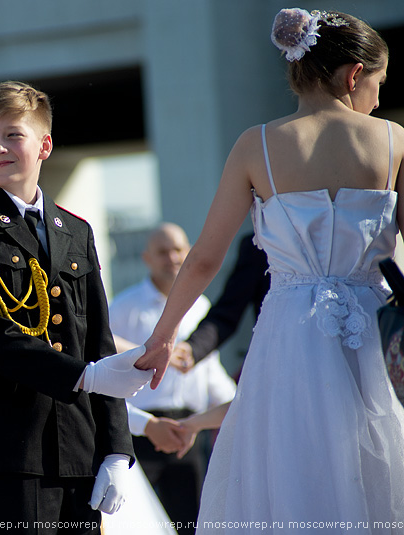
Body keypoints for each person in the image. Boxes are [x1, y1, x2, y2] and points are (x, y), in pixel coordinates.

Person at [136, 8, 404, 530]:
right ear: (353, 75)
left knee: (290, 472)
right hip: (374, 329)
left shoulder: (254, 145)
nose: (378, 97)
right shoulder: (393, 140)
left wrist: (164, 335)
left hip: (289, 334)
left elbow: (205, 259)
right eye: (378, 83)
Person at [0, 80, 151, 533]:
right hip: (5, 447)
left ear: (45, 145)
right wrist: (82, 376)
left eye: (12, 135)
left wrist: (115, 447)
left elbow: (98, 342)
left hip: (79, 445)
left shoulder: (76, 230)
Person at [108, 223, 236, 535]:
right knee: (138, 524)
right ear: (146, 258)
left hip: (187, 433)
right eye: (163, 252)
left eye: (178, 249)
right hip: (138, 430)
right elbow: (108, 367)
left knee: (192, 522)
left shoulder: (201, 305)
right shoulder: (123, 307)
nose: (172, 257)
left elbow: (210, 374)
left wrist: (233, 405)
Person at [170, 233, 269, 373]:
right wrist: (192, 348)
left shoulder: (201, 304)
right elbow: (228, 311)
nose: (173, 259)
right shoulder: (260, 244)